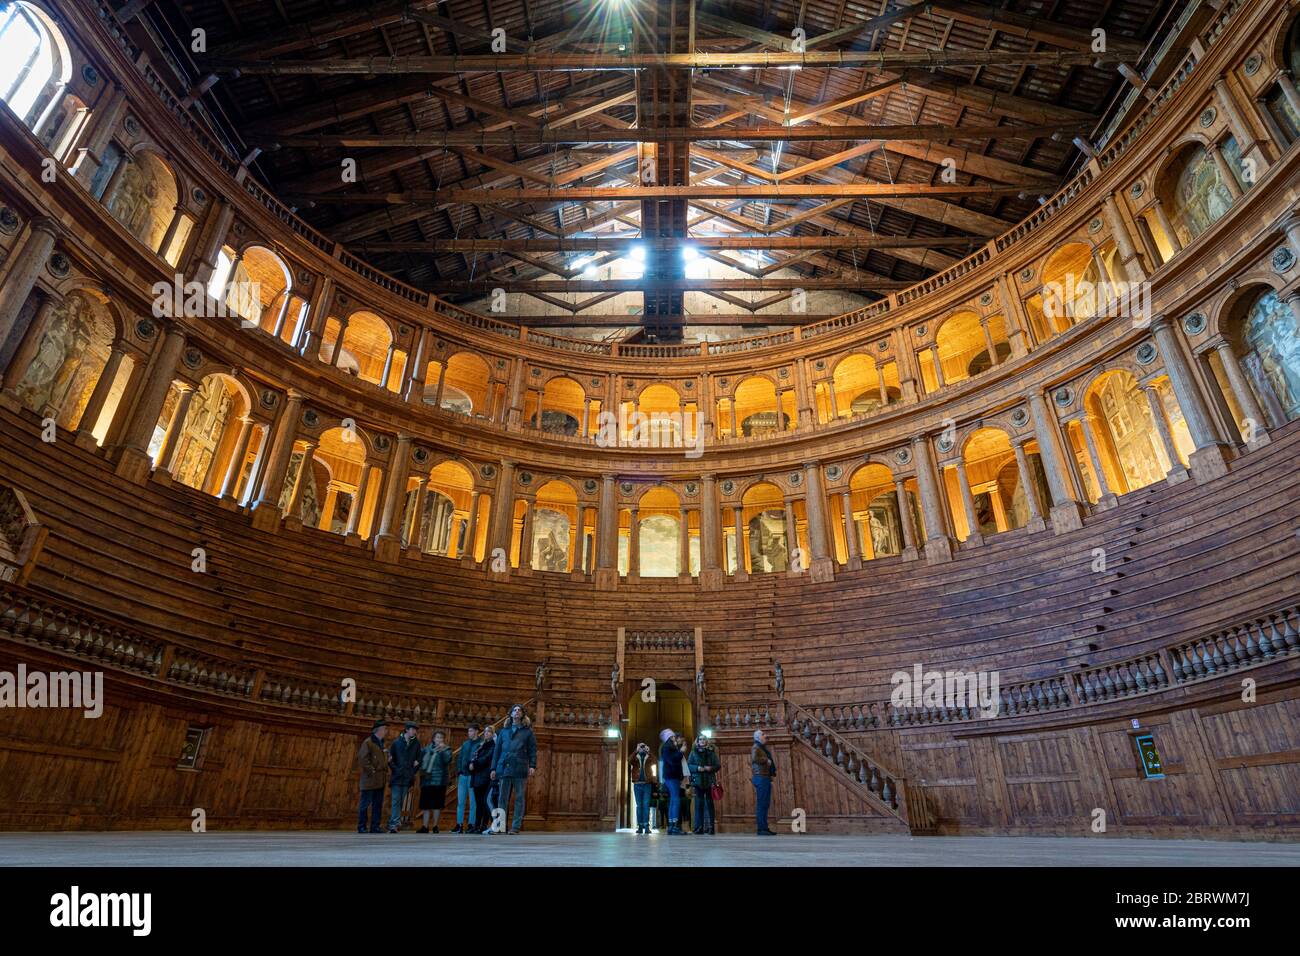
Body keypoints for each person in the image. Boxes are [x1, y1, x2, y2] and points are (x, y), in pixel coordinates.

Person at [492, 704, 537, 834]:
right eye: (514, 710)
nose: (516, 712)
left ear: (523, 714)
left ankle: (515, 827)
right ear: (510, 714)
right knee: (502, 798)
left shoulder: (527, 732)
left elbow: (532, 750)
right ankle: (500, 826)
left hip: (519, 767)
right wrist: (493, 768)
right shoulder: (503, 731)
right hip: (504, 766)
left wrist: (532, 765)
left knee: (519, 798)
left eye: (519, 710)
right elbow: (497, 751)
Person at [387, 721, 422, 833]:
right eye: (412, 729)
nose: (414, 731)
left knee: (401, 800)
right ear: (406, 729)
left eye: (415, 730)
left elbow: (418, 760)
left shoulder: (416, 744)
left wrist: (413, 771)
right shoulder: (396, 742)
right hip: (397, 776)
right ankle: (394, 823)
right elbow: (390, 760)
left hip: (408, 776)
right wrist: (396, 769)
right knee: (395, 800)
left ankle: (395, 821)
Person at [356, 718, 389, 834]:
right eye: (385, 729)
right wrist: (372, 771)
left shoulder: (382, 744)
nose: (386, 731)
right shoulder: (368, 742)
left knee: (377, 804)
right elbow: (363, 759)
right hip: (370, 779)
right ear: (378, 730)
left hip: (380, 779)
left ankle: (375, 826)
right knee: (365, 804)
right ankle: (362, 826)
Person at [417, 730, 453, 833]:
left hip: (439, 781)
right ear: (433, 739)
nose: (439, 739)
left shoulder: (447, 749)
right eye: (437, 737)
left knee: (437, 805)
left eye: (441, 738)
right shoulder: (427, 749)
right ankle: (425, 826)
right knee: (426, 805)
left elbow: (447, 761)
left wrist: (441, 751)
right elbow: (421, 762)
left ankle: (435, 826)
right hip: (427, 781)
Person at [688, 734, 720, 834]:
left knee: (710, 805)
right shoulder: (693, 753)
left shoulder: (711, 752)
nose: (702, 741)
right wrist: (697, 768)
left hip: (709, 781)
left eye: (703, 739)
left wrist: (711, 768)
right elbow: (689, 765)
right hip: (698, 782)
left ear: (706, 741)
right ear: (697, 741)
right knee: (699, 805)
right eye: (700, 739)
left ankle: (711, 827)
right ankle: (699, 827)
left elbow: (717, 765)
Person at [452, 723, 481, 833]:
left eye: (471, 731)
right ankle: (459, 824)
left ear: (477, 731)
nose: (469, 733)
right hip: (463, 775)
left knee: (473, 802)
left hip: (473, 776)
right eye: (469, 731)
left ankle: (471, 824)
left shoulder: (480, 744)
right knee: (461, 802)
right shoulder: (465, 744)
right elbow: (460, 758)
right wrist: (459, 770)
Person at [658, 728, 687, 834]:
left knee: (673, 800)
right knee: (676, 800)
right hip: (672, 776)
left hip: (672, 776)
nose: (675, 737)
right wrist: (681, 752)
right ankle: (674, 826)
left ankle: (671, 826)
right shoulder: (667, 747)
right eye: (673, 736)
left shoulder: (669, 746)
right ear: (670, 737)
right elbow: (672, 761)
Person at [470, 724, 496, 834]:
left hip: (485, 776)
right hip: (476, 776)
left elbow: (486, 759)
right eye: (485, 732)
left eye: (489, 732)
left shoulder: (493, 746)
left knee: (484, 802)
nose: (486, 733)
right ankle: (476, 825)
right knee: (478, 803)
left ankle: (484, 825)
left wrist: (474, 764)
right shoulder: (481, 745)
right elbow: (473, 756)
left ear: (493, 734)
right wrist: (470, 763)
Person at [751, 729, 777, 835]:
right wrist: (766, 760)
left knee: (765, 804)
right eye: (763, 734)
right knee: (762, 804)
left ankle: (764, 827)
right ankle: (761, 829)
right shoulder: (756, 747)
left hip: (764, 777)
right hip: (760, 777)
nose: (766, 735)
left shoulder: (761, 747)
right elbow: (754, 758)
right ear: (758, 737)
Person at [629, 741, 653, 833]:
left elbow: (655, 761)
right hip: (637, 784)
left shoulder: (649, 756)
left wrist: (649, 752)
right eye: (641, 746)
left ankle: (646, 826)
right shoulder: (635, 756)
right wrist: (636, 751)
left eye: (644, 746)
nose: (642, 748)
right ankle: (640, 826)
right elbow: (629, 761)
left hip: (647, 784)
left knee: (646, 805)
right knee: (639, 806)